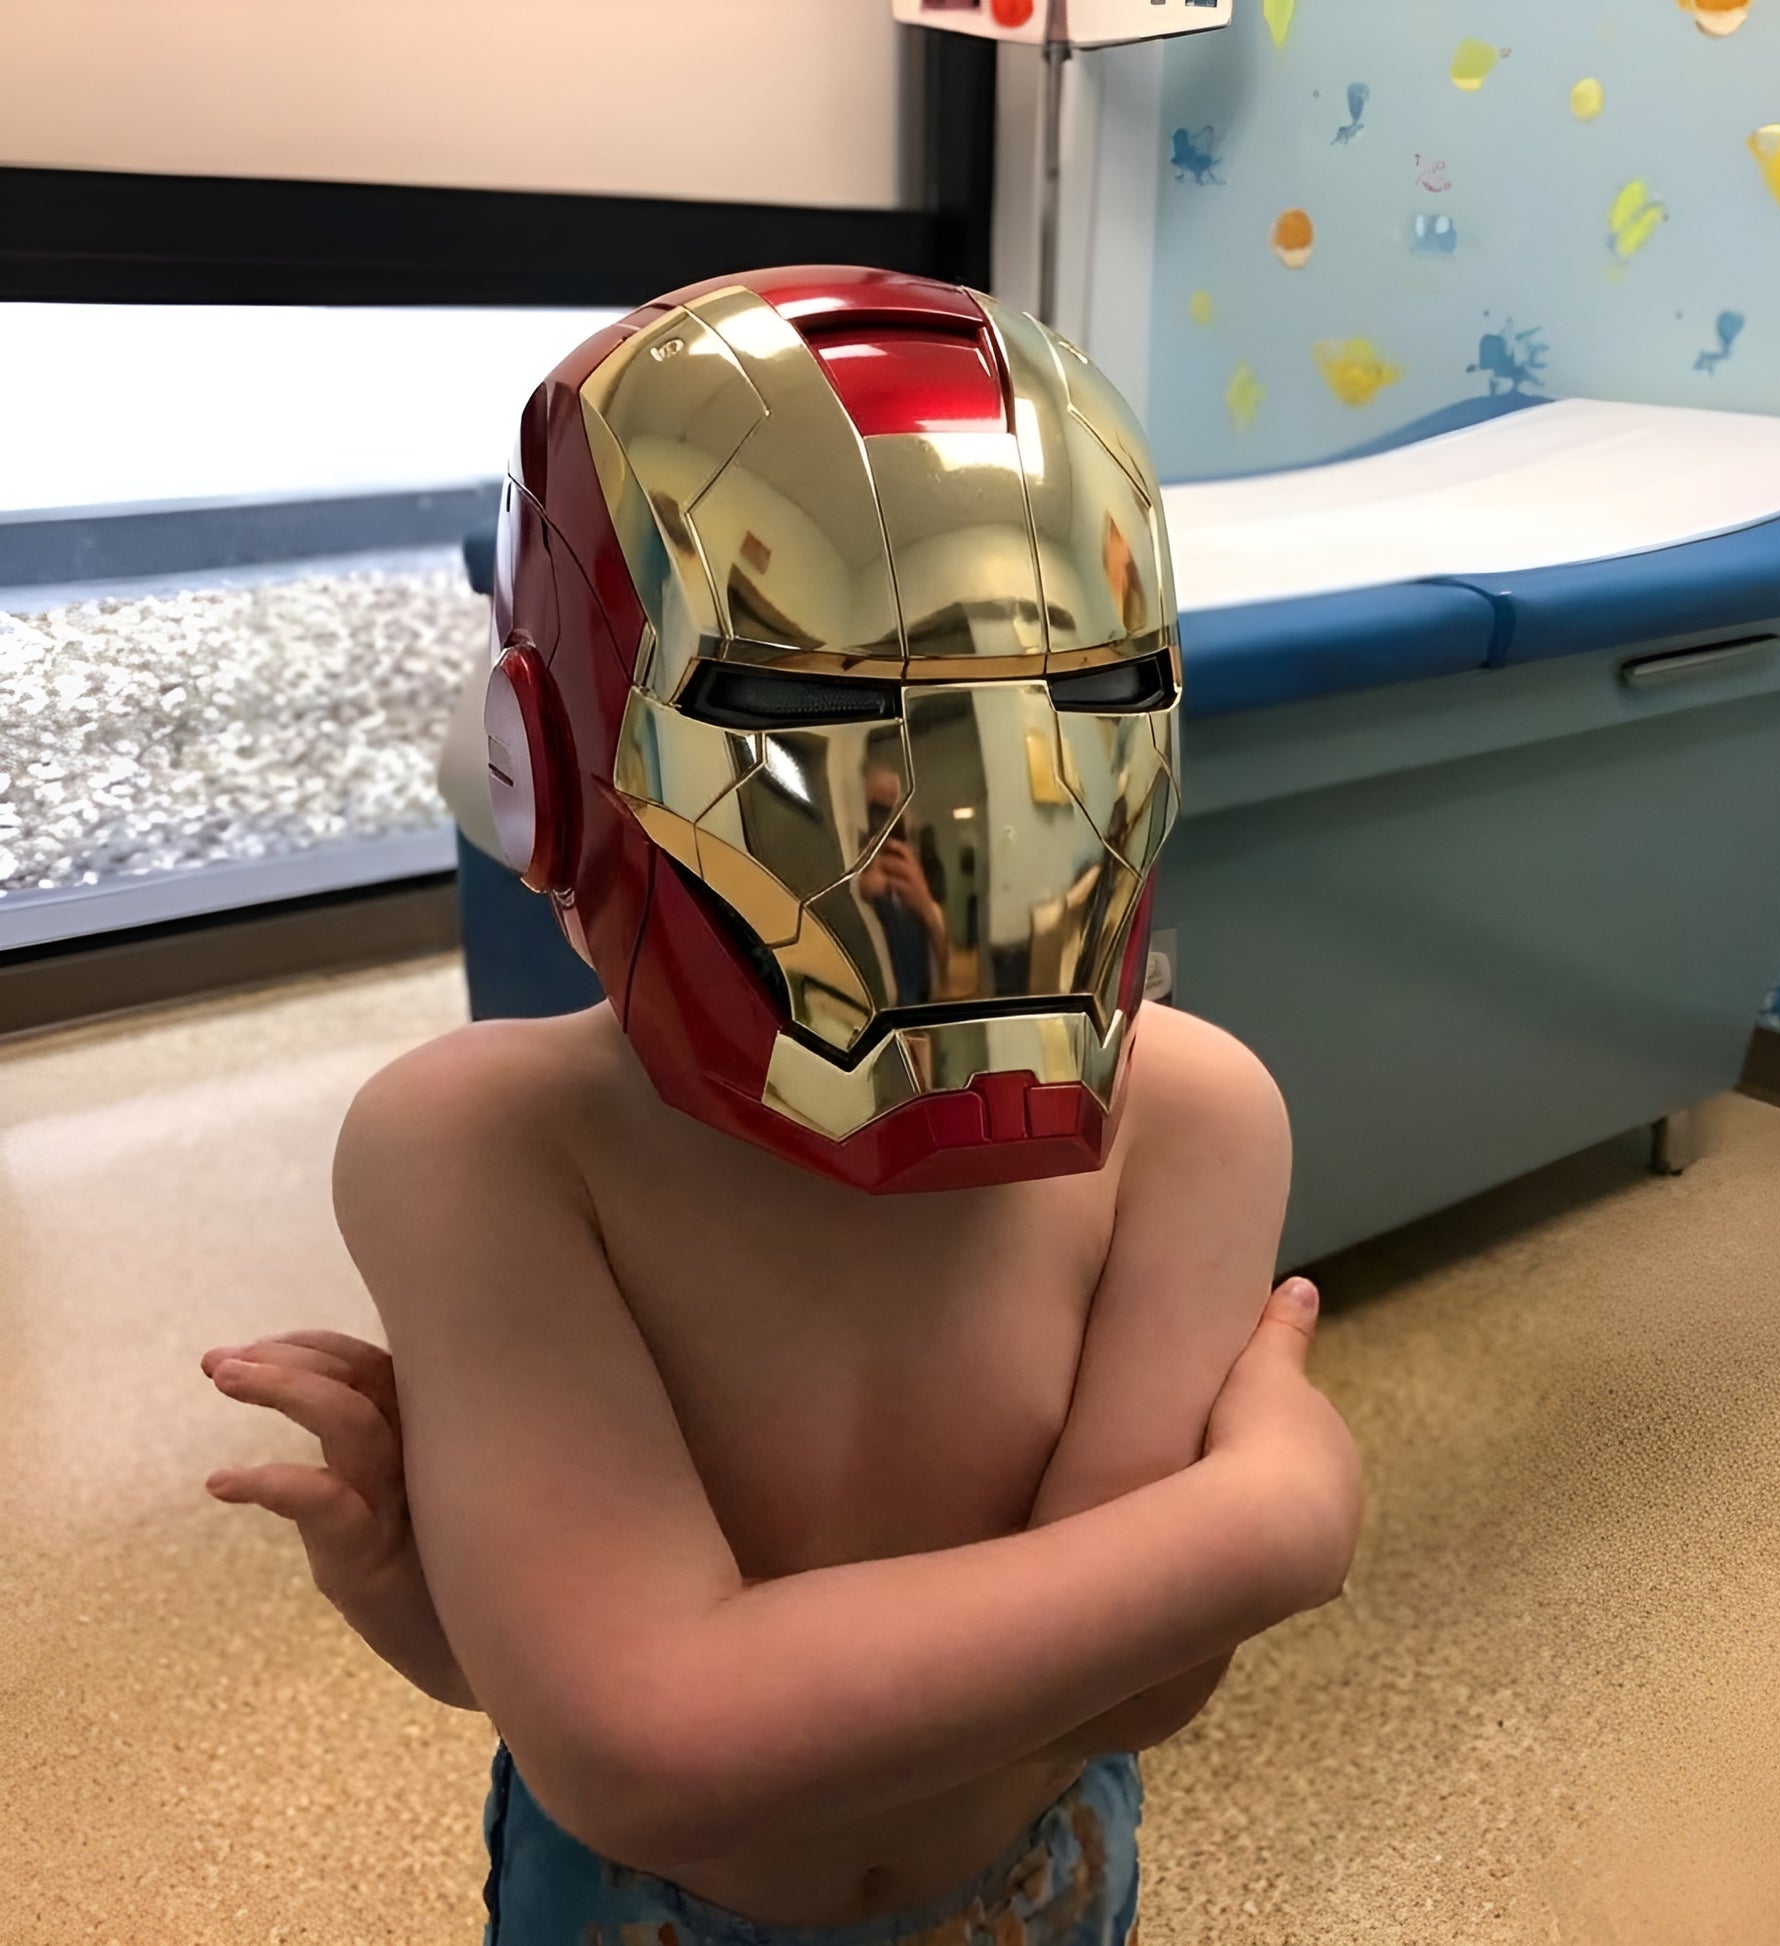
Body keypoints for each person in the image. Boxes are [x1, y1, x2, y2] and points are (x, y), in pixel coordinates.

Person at [200, 267, 1364, 1946]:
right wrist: (1260, 1531)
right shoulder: (487, 1145)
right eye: (796, 708)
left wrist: (620, 1675)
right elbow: (643, 1749)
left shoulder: (1189, 1117)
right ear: (541, 768)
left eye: (1088, 689)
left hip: (1039, 1879)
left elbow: (1129, 1693)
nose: (968, 831)